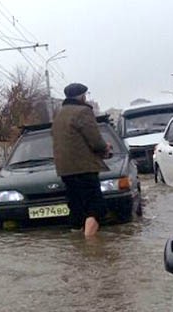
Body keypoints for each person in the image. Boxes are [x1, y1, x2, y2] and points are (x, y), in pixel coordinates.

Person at [52, 83, 112, 237]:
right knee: (96, 208)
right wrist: (105, 148)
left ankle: (77, 245)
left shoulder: (58, 114)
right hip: (84, 168)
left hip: (65, 169)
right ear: (82, 96)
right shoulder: (83, 111)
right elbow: (95, 140)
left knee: (76, 208)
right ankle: (90, 247)